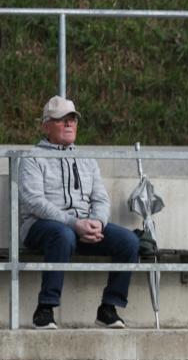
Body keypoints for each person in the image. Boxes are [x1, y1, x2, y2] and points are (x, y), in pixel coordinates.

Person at [20, 96, 139, 330]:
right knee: (61, 235)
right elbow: (34, 202)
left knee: (129, 241)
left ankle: (108, 308)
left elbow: (101, 199)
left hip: (82, 227)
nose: (68, 124)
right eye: (61, 119)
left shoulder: (86, 159)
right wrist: (74, 223)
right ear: (46, 126)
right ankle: (45, 308)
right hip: (41, 227)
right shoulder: (32, 157)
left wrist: (97, 222)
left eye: (72, 119)